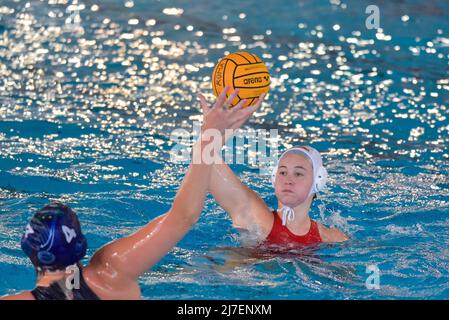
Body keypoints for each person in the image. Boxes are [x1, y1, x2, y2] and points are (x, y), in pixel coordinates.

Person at [1, 87, 265, 300]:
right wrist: (209, 136)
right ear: (81, 245)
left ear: (28, 249)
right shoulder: (111, 272)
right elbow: (184, 216)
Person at [198, 95, 348, 247]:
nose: (288, 180)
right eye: (282, 172)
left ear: (318, 181)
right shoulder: (254, 216)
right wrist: (209, 133)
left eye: (298, 173)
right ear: (273, 178)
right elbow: (203, 165)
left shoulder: (332, 238)